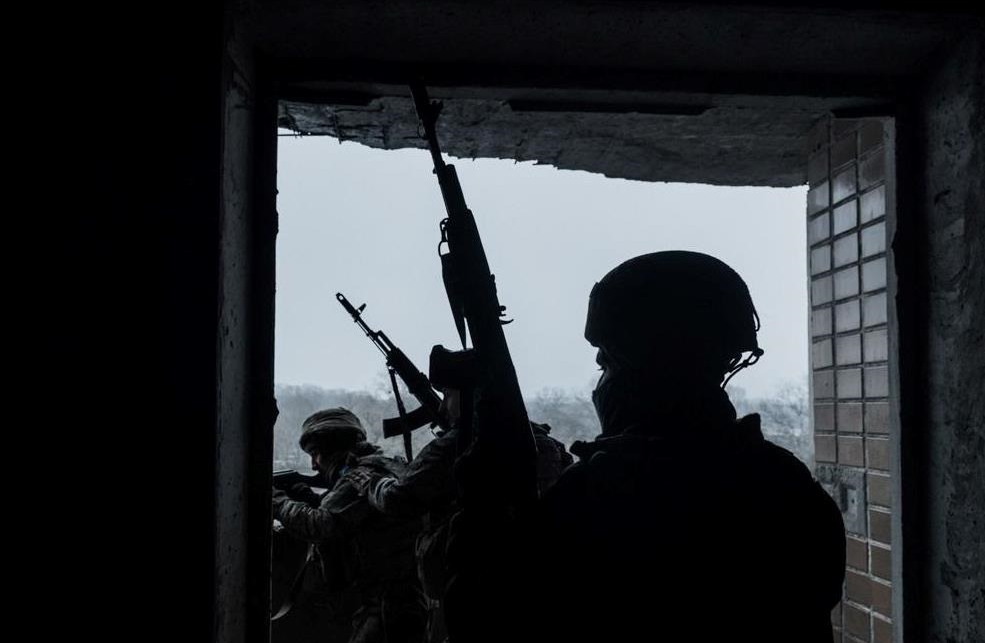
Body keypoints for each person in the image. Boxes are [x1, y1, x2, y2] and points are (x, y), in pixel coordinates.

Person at [453, 250, 845, 642]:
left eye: (606, 365)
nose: (600, 385)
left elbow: (483, 618)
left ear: (643, 367)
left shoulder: (595, 497)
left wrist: (483, 509)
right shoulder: (787, 484)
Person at [345, 391, 573, 643]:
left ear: (471, 395)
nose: (442, 407)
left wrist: (372, 483)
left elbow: (397, 500)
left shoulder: (459, 443)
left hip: (469, 583)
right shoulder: (538, 440)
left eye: (448, 395)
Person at [272, 407, 428, 643]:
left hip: (387, 607)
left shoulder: (360, 476)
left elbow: (319, 525)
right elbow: (351, 518)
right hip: (396, 602)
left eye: (316, 454)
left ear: (335, 448)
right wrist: (309, 499)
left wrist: (278, 502)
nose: (313, 465)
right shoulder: (379, 467)